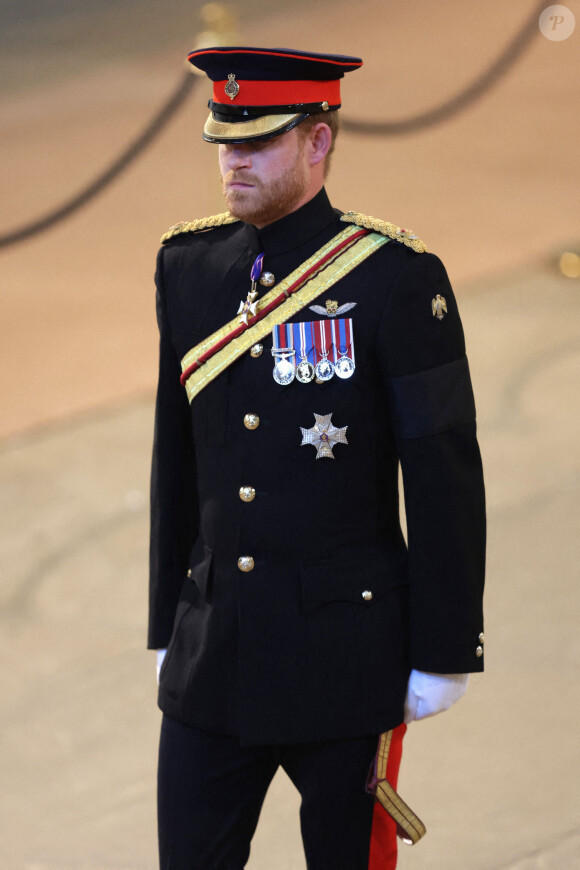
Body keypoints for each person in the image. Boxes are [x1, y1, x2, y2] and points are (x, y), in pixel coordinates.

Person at [148, 46, 485, 870]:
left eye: (256, 142)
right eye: (225, 142)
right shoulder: (188, 269)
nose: (233, 162)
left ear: (318, 141)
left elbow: (443, 473)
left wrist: (445, 648)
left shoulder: (396, 281)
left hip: (346, 657)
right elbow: (176, 458)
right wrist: (167, 619)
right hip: (213, 653)